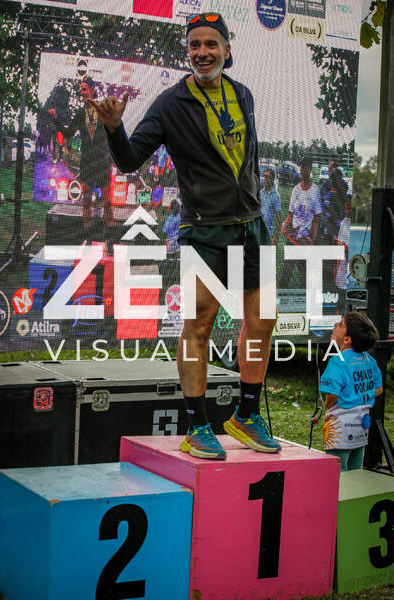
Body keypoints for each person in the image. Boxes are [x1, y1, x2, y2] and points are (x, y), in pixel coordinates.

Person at [88, 12, 281, 459]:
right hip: (205, 228)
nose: (202, 52)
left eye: (211, 44)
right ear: (188, 51)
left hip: (252, 224)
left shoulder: (243, 94)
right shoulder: (169, 104)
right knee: (199, 325)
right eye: (195, 45)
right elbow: (129, 161)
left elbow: (247, 159)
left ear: (227, 50)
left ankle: (246, 415)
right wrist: (114, 128)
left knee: (262, 321)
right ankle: (197, 426)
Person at [47, 78, 114, 236]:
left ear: (92, 90)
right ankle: (87, 233)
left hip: (102, 160)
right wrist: (55, 120)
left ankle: (110, 235)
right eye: (81, 90)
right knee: (86, 200)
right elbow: (68, 133)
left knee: (107, 201)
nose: (81, 92)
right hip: (88, 161)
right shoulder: (80, 113)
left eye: (84, 89)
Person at [320, 312, 383, 472]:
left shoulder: (337, 362)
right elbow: (379, 389)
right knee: (355, 472)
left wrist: (328, 406)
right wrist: (360, 397)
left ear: (347, 339)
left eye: (340, 325)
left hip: (339, 429)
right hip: (361, 428)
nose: (335, 326)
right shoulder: (370, 361)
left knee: (337, 473)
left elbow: (332, 395)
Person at [279, 156, 321, 288]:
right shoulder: (296, 189)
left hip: (305, 240)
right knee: (286, 272)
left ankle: (304, 298)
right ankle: (281, 297)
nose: (303, 171)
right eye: (302, 167)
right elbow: (290, 214)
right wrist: (285, 224)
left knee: (304, 275)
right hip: (293, 238)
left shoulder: (315, 191)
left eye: (306, 168)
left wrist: (312, 241)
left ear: (310, 170)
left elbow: (317, 219)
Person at [260, 168, 281, 245]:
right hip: (258, 231)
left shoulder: (276, 196)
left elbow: (278, 218)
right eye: (264, 176)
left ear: (272, 179)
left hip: (268, 233)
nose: (265, 179)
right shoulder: (260, 193)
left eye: (267, 177)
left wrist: (276, 237)